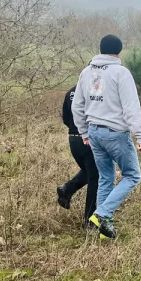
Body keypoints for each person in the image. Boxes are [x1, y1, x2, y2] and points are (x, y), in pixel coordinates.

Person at [72, 34, 141, 239]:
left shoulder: (86, 72)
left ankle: (101, 229)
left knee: (106, 178)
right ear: (119, 51)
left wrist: (84, 131)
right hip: (115, 133)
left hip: (94, 132)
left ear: (101, 49)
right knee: (132, 175)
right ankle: (103, 214)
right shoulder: (121, 73)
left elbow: (76, 105)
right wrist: (139, 134)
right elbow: (131, 106)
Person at [57, 85, 99, 226]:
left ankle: (66, 190)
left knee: (90, 171)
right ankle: (90, 220)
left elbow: (65, 118)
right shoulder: (93, 92)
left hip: (73, 139)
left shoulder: (70, 92)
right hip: (87, 138)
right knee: (95, 178)